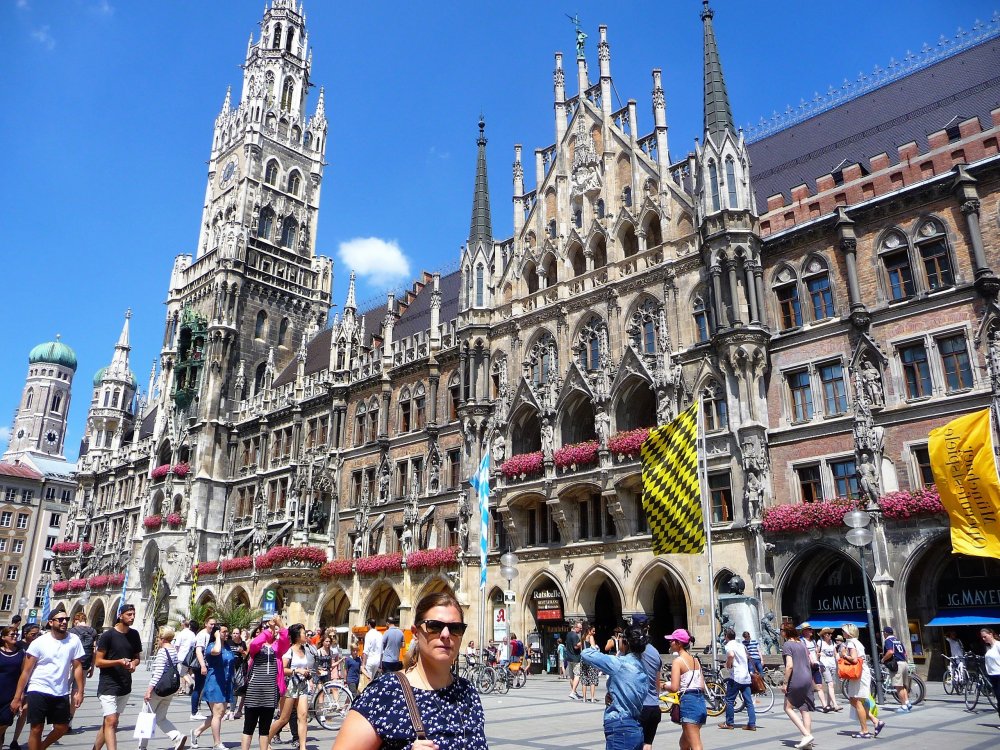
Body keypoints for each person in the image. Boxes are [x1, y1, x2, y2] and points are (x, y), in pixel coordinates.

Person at [332, 591, 488, 750]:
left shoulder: (467, 692)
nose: (446, 634)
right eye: (434, 626)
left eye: (455, 628)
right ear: (415, 633)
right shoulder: (386, 692)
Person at [10, 608, 86, 750]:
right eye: (60, 619)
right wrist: (17, 696)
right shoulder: (39, 642)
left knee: (62, 727)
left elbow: (77, 667)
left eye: (66, 619)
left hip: (61, 691)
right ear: (51, 622)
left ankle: (42, 747)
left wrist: (80, 691)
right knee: (36, 728)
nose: (64, 622)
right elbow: (26, 671)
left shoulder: (74, 640)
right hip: (38, 688)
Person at [582, 626, 647, 750]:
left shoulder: (620, 663)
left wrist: (592, 642)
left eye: (621, 638)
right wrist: (614, 693)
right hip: (635, 726)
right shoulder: (642, 667)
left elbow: (587, 654)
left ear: (626, 643)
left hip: (620, 726)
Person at [93, 604, 143, 750]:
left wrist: (133, 663)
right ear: (120, 615)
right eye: (129, 614)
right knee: (112, 721)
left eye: (133, 614)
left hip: (125, 685)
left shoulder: (134, 635)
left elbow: (137, 657)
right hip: (108, 684)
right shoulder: (108, 636)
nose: (132, 617)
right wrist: (119, 662)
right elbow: (98, 662)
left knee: (109, 722)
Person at [239, 617, 288, 750]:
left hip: (270, 693)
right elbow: (255, 644)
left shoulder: (277, 648)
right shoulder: (256, 648)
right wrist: (269, 629)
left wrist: (279, 624)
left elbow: (285, 640)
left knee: (264, 730)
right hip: (253, 692)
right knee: (248, 728)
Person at [139, 626, 187, 750]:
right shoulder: (173, 650)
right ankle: (177, 736)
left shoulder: (163, 651)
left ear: (163, 638)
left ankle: (142, 747)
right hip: (169, 689)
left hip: (158, 689)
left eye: (158, 638)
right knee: (160, 717)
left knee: (146, 717)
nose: (157, 640)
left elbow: (158, 672)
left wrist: (149, 690)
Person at [266, 624, 312, 750]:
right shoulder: (289, 650)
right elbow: (282, 669)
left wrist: (308, 672)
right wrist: (297, 671)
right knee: (284, 718)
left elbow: (305, 666)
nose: (306, 635)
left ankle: (303, 747)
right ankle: (266, 739)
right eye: (303, 633)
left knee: (303, 716)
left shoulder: (305, 650)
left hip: (302, 685)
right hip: (290, 686)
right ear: (297, 636)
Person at [191, 623, 235, 750]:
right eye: (224, 632)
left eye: (228, 631)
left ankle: (196, 732)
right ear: (216, 633)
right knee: (217, 714)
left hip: (226, 684)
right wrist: (216, 637)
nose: (227, 634)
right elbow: (216, 651)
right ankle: (217, 743)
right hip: (215, 683)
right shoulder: (212, 646)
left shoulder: (227, 647)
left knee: (219, 714)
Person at [842, 623, 885, 739]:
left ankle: (864, 731)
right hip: (862, 673)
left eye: (844, 631)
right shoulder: (857, 642)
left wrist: (844, 655)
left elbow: (854, 659)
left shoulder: (851, 643)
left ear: (849, 633)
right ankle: (875, 721)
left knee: (856, 701)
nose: (842, 633)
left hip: (859, 674)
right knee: (854, 700)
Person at [665, 628, 705, 750]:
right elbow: (702, 686)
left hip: (689, 703)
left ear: (679, 643)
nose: (670, 643)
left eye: (672, 640)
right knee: (684, 743)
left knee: (695, 745)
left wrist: (663, 685)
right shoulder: (696, 660)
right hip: (700, 702)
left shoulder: (678, 661)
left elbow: (674, 687)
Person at [779, 623, 815, 749]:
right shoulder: (802, 644)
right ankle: (808, 743)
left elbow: (789, 665)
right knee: (804, 709)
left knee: (787, 708)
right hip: (807, 678)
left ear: (785, 632)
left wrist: (785, 683)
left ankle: (806, 735)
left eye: (781, 630)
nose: (780, 632)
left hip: (796, 678)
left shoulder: (787, 645)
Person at [719, 629, 755, 731]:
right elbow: (748, 657)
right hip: (746, 676)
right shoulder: (741, 645)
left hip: (736, 677)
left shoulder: (729, 645)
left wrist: (728, 664)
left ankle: (729, 723)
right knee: (748, 702)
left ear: (726, 636)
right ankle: (752, 724)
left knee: (729, 700)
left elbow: (731, 655)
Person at [637, 623, 663, 750]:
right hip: (654, 706)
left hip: (640, 706)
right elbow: (657, 681)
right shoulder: (655, 652)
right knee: (647, 744)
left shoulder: (636, 652)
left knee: (636, 743)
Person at [0, 625, 26, 750]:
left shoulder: (21, 653)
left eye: (16, 634)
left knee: (5, 721)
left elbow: (23, 674)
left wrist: (20, 695)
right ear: (4, 637)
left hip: (11, 694)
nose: (15, 636)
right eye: (12, 635)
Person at [191, 616, 217, 721]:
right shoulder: (202, 635)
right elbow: (198, 651)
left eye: (214, 624)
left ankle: (213, 711)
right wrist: (202, 666)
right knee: (199, 688)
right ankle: (194, 712)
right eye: (211, 624)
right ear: (206, 624)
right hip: (201, 666)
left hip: (207, 665)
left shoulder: (211, 635)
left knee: (206, 688)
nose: (213, 626)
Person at [797, 623, 827, 712]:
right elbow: (803, 654)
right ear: (804, 631)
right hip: (807, 666)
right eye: (809, 629)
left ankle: (824, 706)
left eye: (811, 629)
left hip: (815, 665)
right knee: (808, 686)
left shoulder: (813, 641)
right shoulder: (801, 641)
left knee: (819, 685)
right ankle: (808, 703)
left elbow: (815, 652)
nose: (811, 631)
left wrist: (818, 656)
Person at [881, 626, 912, 712]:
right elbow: (905, 654)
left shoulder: (888, 641)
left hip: (897, 664)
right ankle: (907, 702)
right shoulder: (897, 640)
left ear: (886, 633)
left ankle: (903, 706)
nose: (883, 634)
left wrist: (883, 659)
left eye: (883, 633)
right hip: (904, 663)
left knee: (898, 686)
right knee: (904, 685)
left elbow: (890, 651)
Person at [816, 628, 841, 712]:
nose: (830, 635)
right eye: (827, 634)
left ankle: (828, 704)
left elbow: (835, 653)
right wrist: (819, 656)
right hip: (824, 665)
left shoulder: (833, 642)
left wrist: (838, 656)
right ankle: (835, 705)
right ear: (823, 635)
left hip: (833, 665)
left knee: (831, 685)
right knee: (830, 684)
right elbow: (817, 653)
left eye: (830, 634)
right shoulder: (820, 642)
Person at [228, 629, 248, 720]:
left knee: (238, 689)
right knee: (232, 689)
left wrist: (242, 652)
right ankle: (231, 710)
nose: (235, 635)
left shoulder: (243, 644)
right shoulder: (228, 642)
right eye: (234, 633)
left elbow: (246, 657)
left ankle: (236, 710)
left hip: (240, 669)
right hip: (229, 668)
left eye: (237, 633)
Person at [981, 627, 1000, 720]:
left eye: (985, 637)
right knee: (998, 699)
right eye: (982, 638)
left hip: (999, 675)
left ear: (991, 634)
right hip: (992, 676)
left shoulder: (998, 645)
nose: (984, 639)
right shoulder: (989, 647)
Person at [175, 620, 197, 696]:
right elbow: (194, 644)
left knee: (182, 672)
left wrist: (176, 654)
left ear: (183, 625)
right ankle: (183, 688)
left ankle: (191, 683)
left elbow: (177, 645)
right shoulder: (192, 634)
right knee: (187, 671)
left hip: (181, 655)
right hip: (189, 656)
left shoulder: (181, 634)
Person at [360, 618, 382, 691]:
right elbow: (381, 651)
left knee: (367, 681)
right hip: (377, 661)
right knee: (371, 680)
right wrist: (380, 665)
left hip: (369, 660)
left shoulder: (368, 634)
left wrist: (363, 664)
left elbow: (366, 651)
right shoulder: (380, 634)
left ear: (369, 624)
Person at [581, 625, 601, 703]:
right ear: (589, 631)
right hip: (590, 659)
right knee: (592, 678)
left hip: (583, 659)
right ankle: (592, 698)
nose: (594, 633)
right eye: (593, 631)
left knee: (584, 678)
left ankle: (584, 698)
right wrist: (596, 647)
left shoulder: (582, 637)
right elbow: (593, 648)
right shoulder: (591, 637)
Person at [565, 621, 583, 700]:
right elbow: (576, 647)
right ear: (576, 627)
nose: (581, 629)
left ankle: (574, 692)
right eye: (580, 628)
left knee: (572, 677)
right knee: (577, 675)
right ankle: (573, 692)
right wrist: (581, 642)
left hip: (569, 658)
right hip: (576, 658)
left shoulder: (568, 634)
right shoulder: (575, 635)